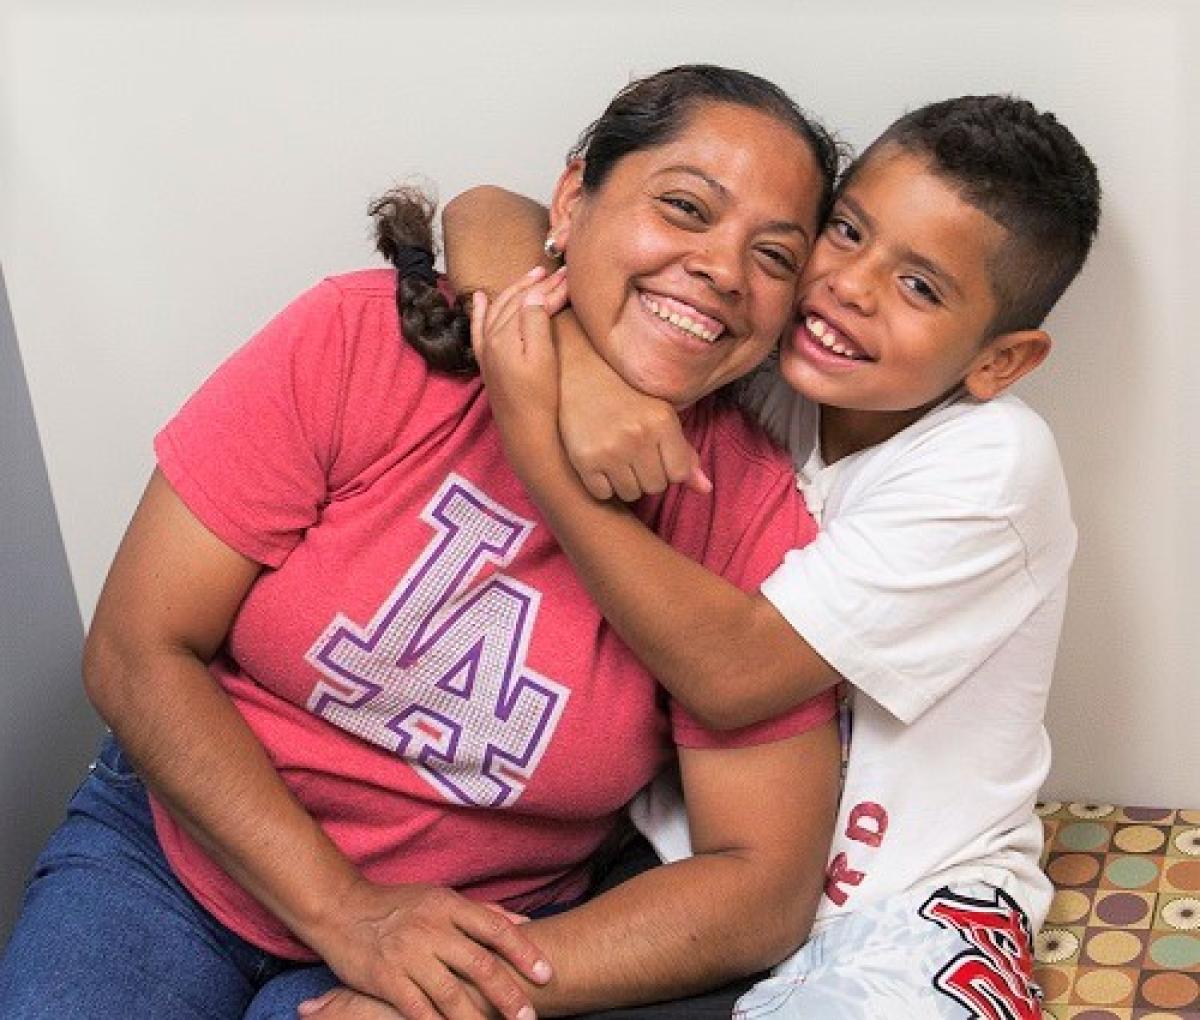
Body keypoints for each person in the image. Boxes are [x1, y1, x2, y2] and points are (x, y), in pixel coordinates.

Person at [0, 66, 844, 1020]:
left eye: (774, 258)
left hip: (465, 935)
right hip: (177, 861)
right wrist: (349, 915)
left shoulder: (747, 510)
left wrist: (468, 990)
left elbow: (762, 888)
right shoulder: (361, 339)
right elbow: (135, 649)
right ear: (572, 201)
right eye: (685, 207)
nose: (725, 270)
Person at [422, 92, 1101, 1018]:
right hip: (680, 872)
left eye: (920, 286)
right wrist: (573, 372)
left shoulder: (992, 465)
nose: (852, 287)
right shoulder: (769, 362)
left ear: (1001, 361)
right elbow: (485, 212)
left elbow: (734, 673)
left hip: (912, 907)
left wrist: (540, 440)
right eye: (849, 233)